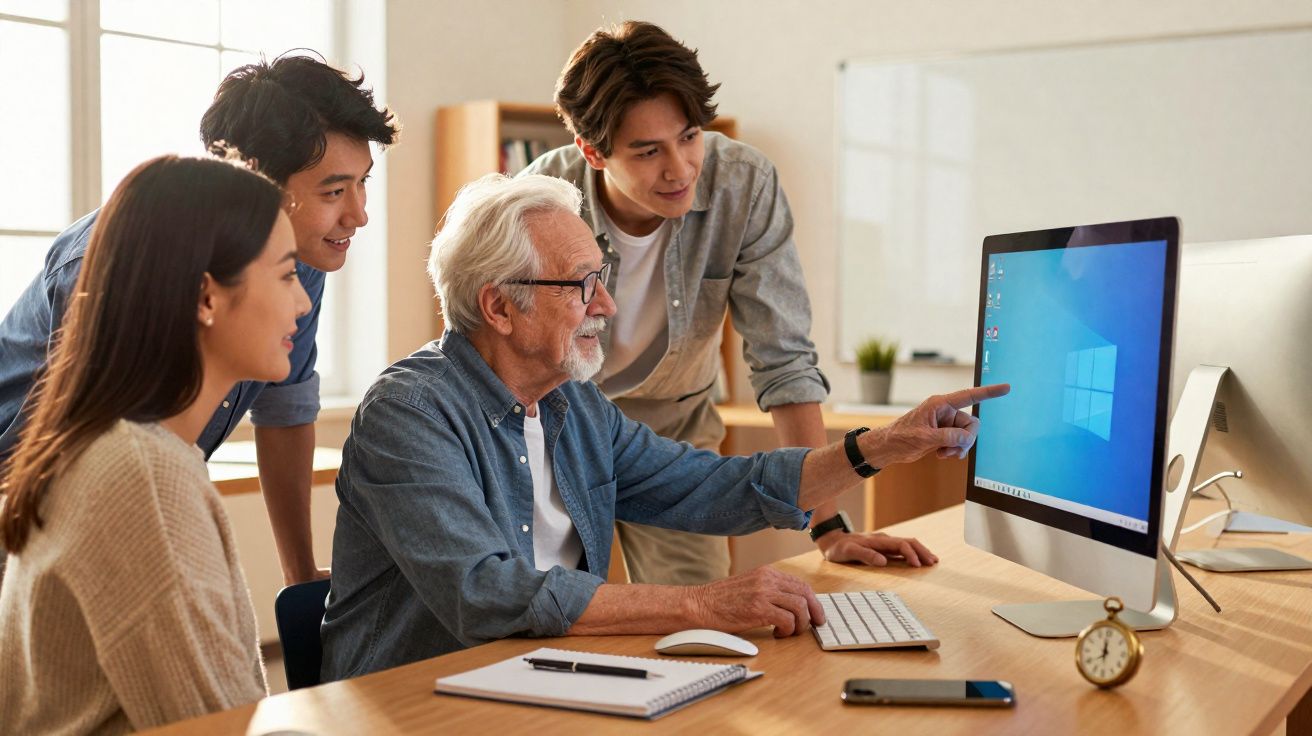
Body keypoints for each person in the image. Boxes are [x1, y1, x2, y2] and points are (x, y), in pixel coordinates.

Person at [319, 173, 1006, 680]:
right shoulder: (410, 414)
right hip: (414, 702)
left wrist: (882, 446)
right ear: (499, 307)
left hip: (534, 679)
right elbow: (488, 593)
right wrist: (701, 604)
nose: (608, 305)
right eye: (582, 284)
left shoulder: (573, 405)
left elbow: (712, 487)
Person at [0, 53, 398, 585]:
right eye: (333, 191)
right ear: (256, 179)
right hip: (32, 515)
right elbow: (106, 455)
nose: (359, 214)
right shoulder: (126, 258)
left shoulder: (300, 258)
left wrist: (299, 572)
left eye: (362, 183)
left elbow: (285, 410)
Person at [522, 21, 897, 585]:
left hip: (675, 428)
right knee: (541, 613)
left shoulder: (742, 184)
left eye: (690, 136)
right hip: (555, 425)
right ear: (592, 152)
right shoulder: (538, 201)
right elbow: (497, 353)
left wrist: (828, 526)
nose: (680, 169)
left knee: (699, 618)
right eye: (648, 152)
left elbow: (784, 358)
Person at [0, 154, 310, 733]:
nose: (304, 302)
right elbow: (218, 728)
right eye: (288, 274)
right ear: (206, 298)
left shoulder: (127, 449)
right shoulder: (139, 473)